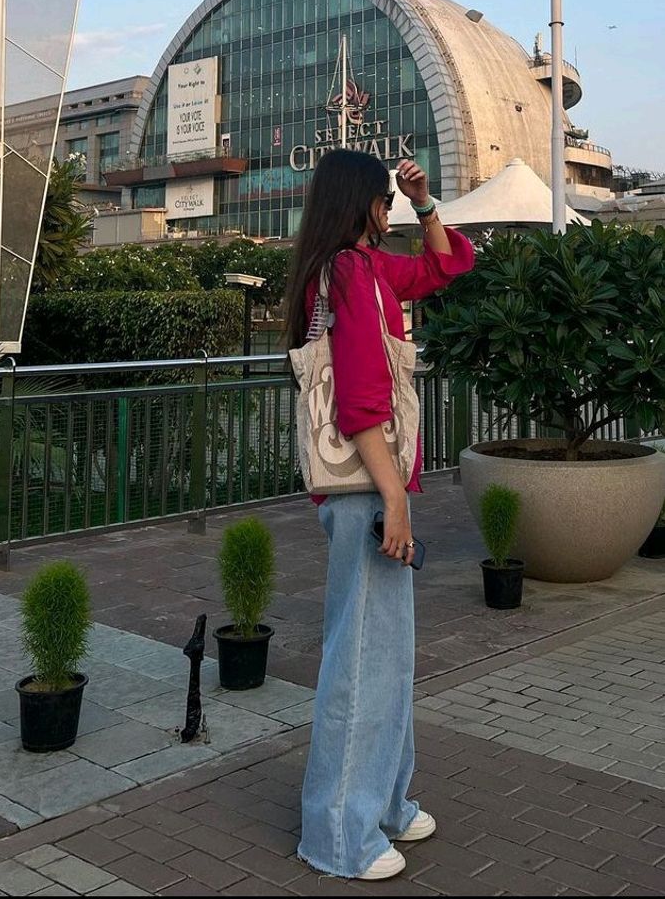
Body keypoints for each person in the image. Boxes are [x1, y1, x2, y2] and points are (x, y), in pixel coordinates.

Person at [285, 149, 475, 881]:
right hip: (367, 485)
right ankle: (338, 832)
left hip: (373, 482)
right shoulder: (345, 273)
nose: (392, 210)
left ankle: (386, 800)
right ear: (360, 202)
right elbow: (361, 391)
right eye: (387, 200)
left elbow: (447, 265)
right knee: (362, 660)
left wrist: (428, 205)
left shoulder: (360, 269)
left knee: (387, 656)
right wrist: (393, 495)